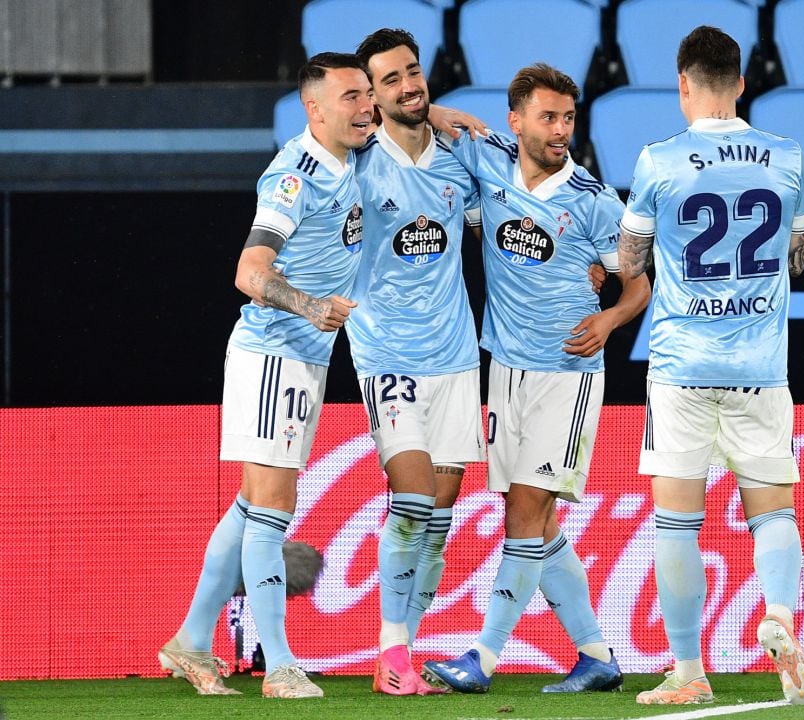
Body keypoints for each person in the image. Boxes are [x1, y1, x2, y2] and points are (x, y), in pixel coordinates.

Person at [422, 63, 651, 695]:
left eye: (569, 118)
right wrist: (446, 115)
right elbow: (418, 111)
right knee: (537, 522)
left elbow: (638, 286)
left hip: (567, 377)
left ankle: (483, 659)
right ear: (516, 119)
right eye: (548, 117)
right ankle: (596, 654)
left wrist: (608, 320)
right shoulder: (489, 161)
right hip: (506, 369)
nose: (560, 130)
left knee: (525, 514)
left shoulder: (598, 202)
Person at [158, 52, 374, 699]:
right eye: (351, 97)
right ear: (314, 109)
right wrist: (311, 307)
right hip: (274, 355)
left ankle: (192, 642)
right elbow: (249, 272)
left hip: (300, 359)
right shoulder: (293, 176)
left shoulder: (348, 160)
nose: (366, 106)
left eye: (368, 94)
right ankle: (279, 664)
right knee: (275, 507)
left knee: (253, 504)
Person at [617, 26, 804, 706]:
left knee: (678, 522)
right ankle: (783, 622)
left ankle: (688, 672)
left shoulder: (659, 160)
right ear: (740, 83)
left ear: (683, 85)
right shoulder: (786, 156)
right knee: (773, 512)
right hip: (761, 364)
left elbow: (631, 259)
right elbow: (800, 252)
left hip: (682, 365)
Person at [347, 28, 486, 697]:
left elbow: (515, 208)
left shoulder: (462, 157)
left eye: (413, 72)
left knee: (440, 509)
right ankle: (390, 650)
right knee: (409, 498)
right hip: (386, 354)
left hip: (456, 355)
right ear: (371, 96)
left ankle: (407, 640)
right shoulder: (359, 163)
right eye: (392, 80)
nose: (409, 85)